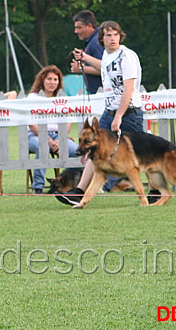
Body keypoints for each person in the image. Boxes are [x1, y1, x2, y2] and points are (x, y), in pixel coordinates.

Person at [58, 20, 145, 205]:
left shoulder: (126, 56)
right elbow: (103, 66)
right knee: (95, 149)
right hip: (110, 111)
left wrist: (119, 116)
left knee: (141, 155)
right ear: (102, 39)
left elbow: (128, 90)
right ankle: (79, 192)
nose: (112, 38)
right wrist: (84, 57)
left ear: (120, 36)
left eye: (115, 34)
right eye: (108, 35)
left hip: (129, 113)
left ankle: (155, 191)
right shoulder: (107, 55)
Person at [26, 65, 79, 194]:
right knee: (43, 147)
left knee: (78, 152)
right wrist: (48, 140)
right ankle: (38, 187)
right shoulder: (33, 98)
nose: (52, 82)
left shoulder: (62, 99)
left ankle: (70, 184)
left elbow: (67, 123)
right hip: (35, 136)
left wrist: (60, 140)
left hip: (58, 136)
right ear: (42, 80)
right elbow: (32, 125)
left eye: (55, 79)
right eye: (49, 79)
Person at [70, 10, 103, 95]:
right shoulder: (94, 40)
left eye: (79, 27)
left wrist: (81, 69)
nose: (76, 31)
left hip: (101, 95)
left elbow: (104, 69)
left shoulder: (96, 42)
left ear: (89, 26)